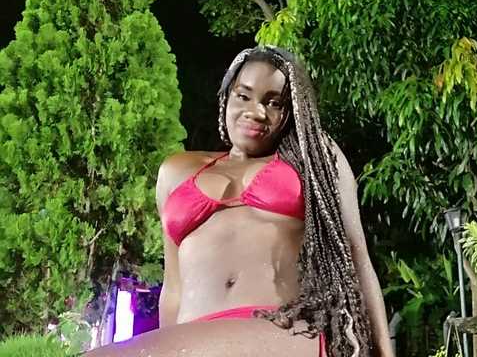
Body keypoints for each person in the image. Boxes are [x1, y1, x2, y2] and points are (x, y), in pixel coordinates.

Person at [86, 46, 393, 357]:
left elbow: (356, 257)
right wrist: (169, 344)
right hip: (195, 338)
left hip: (281, 330)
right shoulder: (177, 170)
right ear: (226, 97)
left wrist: (384, 352)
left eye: (274, 103)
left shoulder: (312, 159)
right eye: (243, 96)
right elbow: (173, 287)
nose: (256, 112)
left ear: (291, 112)